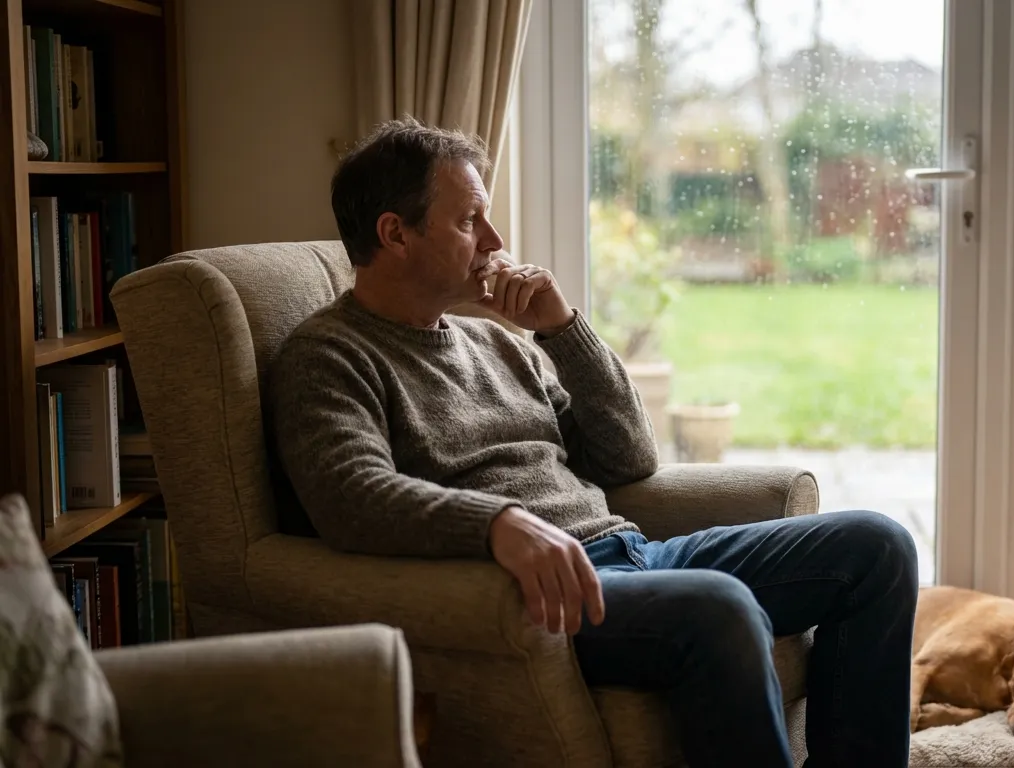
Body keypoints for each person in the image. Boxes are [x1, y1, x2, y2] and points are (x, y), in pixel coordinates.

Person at [268, 117, 919, 767]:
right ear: (395, 233)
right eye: (470, 221)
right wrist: (500, 523)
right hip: (546, 597)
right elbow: (351, 497)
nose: (496, 241)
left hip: (634, 555)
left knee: (877, 547)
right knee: (721, 609)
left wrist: (562, 329)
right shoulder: (327, 356)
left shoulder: (495, 341)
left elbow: (630, 457)